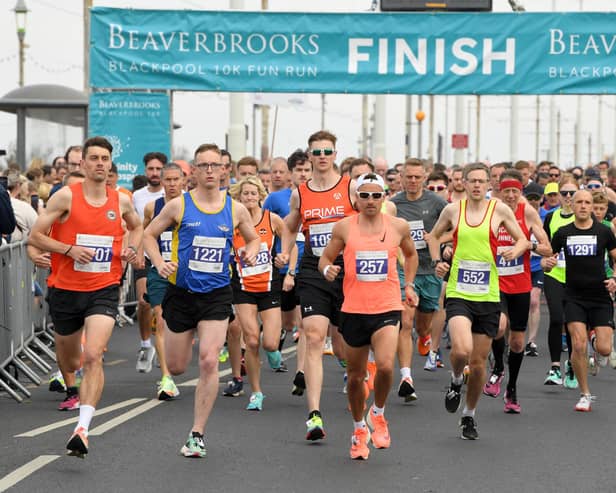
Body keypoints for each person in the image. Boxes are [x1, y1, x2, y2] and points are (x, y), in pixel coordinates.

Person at [143, 143, 260, 459]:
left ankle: (197, 434)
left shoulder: (235, 209)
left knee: (209, 360)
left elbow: (254, 238)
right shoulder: (178, 206)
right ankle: (183, 351)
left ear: (224, 170)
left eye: (215, 165)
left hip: (217, 293)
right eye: (203, 165)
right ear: (192, 171)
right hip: (180, 294)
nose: (209, 170)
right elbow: (148, 235)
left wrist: (250, 250)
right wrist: (158, 261)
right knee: (179, 367)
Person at [28, 136, 142, 457]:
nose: (100, 164)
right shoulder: (65, 197)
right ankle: (70, 379)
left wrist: (132, 247)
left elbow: (137, 225)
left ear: (110, 164)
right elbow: (36, 235)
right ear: (83, 164)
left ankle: (82, 428)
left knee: (93, 355)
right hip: (65, 289)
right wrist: (68, 249)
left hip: (103, 288)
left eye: (105, 159)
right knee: (70, 360)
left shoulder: (120, 200)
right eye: (94, 159)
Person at [319, 173, 418, 460]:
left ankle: (379, 412)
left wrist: (408, 285)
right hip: (353, 310)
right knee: (355, 378)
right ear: (356, 199)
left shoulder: (398, 226)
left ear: (384, 197)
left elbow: (411, 256)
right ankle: (359, 428)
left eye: (376, 195)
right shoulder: (343, 227)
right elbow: (326, 258)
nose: (371, 201)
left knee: (386, 367)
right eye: (365, 195)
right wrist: (328, 271)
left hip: (387, 307)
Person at [429, 163, 530, 440]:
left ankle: (468, 415)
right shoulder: (453, 210)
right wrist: (438, 261)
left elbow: (524, 240)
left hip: (488, 295)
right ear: (462, 182)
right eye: (470, 180)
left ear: (488, 185)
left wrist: (515, 250)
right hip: (460, 291)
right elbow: (434, 236)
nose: (475, 185)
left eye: (480, 181)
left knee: (478, 364)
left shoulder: (499, 210)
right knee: (461, 350)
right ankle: (455, 380)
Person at [284, 130, 357, 441]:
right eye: (317, 152)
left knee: (343, 346)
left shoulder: (350, 188)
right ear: (309, 156)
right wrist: (285, 254)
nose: (323, 156)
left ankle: (352, 369)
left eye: (328, 151)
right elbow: (289, 226)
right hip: (315, 269)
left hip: (349, 270)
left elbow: (373, 219)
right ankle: (314, 414)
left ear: (335, 154)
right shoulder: (301, 192)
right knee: (313, 335)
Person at [483, 170, 551, 413]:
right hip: (494, 282)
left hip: (520, 283)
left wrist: (525, 245)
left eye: (515, 191)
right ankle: (498, 369)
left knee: (518, 341)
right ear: (499, 191)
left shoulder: (528, 213)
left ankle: (511, 388)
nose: (510, 195)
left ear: (520, 192)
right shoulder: (490, 210)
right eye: (506, 191)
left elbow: (547, 249)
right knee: (499, 326)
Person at [542, 190, 616, 411]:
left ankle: (596, 344)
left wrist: (614, 278)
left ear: (593, 206)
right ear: (572, 205)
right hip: (573, 296)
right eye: (579, 202)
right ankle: (585, 393)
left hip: (600, 296)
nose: (583, 206)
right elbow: (550, 258)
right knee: (578, 343)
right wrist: (547, 264)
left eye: (587, 203)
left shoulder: (604, 232)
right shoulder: (563, 233)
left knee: (604, 349)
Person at [229, 177, 291, 410]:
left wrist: (284, 255)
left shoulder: (271, 219)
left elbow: (289, 235)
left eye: (253, 193)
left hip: (268, 287)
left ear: (260, 196)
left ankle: (274, 352)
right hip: (243, 288)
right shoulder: (233, 222)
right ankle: (256, 392)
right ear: (239, 197)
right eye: (245, 194)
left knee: (270, 342)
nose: (249, 197)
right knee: (252, 340)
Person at [391, 158, 447, 399]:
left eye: (417, 177)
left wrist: (436, 238)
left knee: (423, 323)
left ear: (425, 177)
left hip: (430, 270)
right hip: (403, 270)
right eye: (408, 177)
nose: (412, 181)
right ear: (401, 178)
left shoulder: (437, 203)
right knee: (405, 321)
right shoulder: (393, 205)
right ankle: (406, 377)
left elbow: (454, 229)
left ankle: (424, 336)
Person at [262, 150, 313, 396]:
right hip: (281, 266)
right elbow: (263, 228)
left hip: (310, 266)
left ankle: (301, 373)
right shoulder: (276, 199)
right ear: (291, 173)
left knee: (306, 324)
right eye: (299, 170)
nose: (303, 174)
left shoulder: (321, 197)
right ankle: (277, 338)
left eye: (307, 170)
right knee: (287, 321)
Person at [142, 163, 185, 400]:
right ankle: (166, 378)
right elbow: (144, 232)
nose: (170, 184)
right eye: (167, 180)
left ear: (183, 181)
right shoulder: (152, 207)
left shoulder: (191, 206)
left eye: (175, 179)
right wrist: (139, 253)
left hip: (186, 272)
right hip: (160, 270)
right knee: (160, 319)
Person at [542, 177, 579, 388]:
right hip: (554, 275)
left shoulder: (587, 218)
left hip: (578, 278)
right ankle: (555, 366)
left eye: (572, 193)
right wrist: (545, 258)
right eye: (564, 192)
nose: (567, 197)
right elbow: (545, 246)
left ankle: (573, 365)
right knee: (556, 318)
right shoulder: (551, 217)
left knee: (573, 323)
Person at [132, 152, 166, 373]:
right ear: (145, 171)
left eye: (158, 169)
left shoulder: (175, 195)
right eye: (151, 169)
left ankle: (167, 343)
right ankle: (146, 345)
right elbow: (138, 228)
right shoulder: (138, 196)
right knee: (144, 303)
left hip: (168, 256)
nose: (155, 173)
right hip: (145, 255)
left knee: (162, 308)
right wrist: (136, 250)